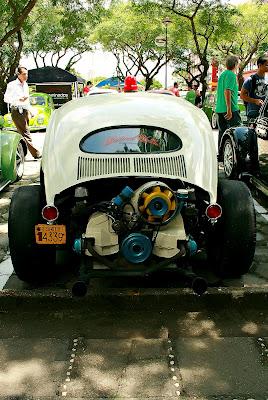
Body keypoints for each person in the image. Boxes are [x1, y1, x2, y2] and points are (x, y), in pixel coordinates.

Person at [4, 66, 41, 159]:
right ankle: (36, 154)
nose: (26, 76)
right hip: (17, 111)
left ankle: (20, 154)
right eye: (24, 74)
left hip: (25, 111)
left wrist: (31, 111)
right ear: (18, 74)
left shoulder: (25, 84)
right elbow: (6, 98)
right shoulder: (11, 85)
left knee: (22, 134)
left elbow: (26, 101)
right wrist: (17, 99)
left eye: (27, 74)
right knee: (26, 134)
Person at [215, 55, 241, 147]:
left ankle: (221, 155)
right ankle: (236, 156)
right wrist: (229, 109)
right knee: (236, 133)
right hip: (230, 110)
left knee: (223, 133)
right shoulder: (231, 75)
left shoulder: (222, 75)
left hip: (220, 109)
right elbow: (227, 91)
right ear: (235, 64)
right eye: (238, 63)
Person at [240, 55, 268, 124]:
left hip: (265, 114)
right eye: (267, 65)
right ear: (260, 65)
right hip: (253, 113)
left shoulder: (267, 79)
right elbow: (242, 95)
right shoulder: (250, 80)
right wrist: (255, 101)